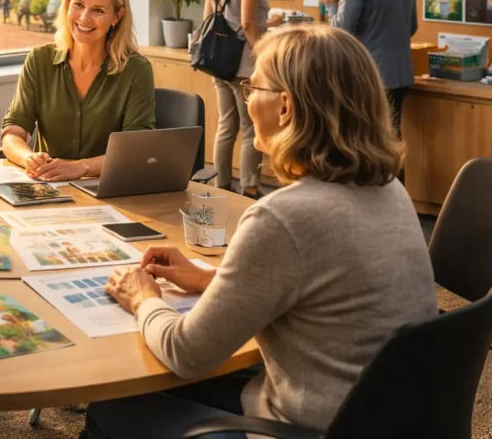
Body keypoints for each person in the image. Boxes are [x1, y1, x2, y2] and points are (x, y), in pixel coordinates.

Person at [86, 24, 438, 439]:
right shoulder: (389, 189)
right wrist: (209, 279)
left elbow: (186, 353)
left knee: (112, 408)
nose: (247, 97)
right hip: (377, 417)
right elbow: (323, 287)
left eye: (253, 87)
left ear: (285, 107)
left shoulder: (284, 217)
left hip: (305, 427)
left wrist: (142, 297)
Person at [1, 0, 155, 182]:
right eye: (78, 5)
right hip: (49, 189)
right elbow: (13, 132)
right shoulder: (39, 60)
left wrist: (81, 167)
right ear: (67, 5)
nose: (84, 17)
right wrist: (28, 158)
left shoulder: (136, 70)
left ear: (117, 16)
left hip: (109, 191)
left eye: (98, 10)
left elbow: (135, 149)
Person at [318, 0, 417, 153]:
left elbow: (341, 31)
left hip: (369, 74)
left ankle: (369, 191)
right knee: (392, 139)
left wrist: (331, 5)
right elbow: (412, 27)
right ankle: (395, 191)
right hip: (401, 73)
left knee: (365, 141)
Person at [202, 0, 283, 199]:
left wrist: (267, 24)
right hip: (244, 64)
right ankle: (249, 189)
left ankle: (221, 185)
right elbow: (248, 24)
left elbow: (208, 18)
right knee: (250, 128)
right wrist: (263, 52)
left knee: (226, 126)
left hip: (218, 61)